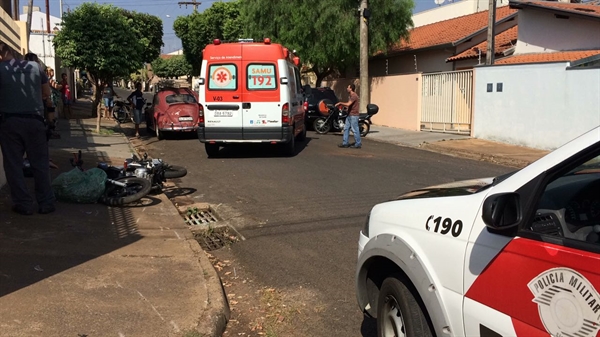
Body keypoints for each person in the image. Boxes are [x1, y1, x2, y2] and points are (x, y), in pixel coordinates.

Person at [0, 41, 56, 215]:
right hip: (35, 121)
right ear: (11, 52)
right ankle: (46, 203)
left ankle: (23, 203)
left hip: (10, 123)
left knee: (13, 165)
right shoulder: (35, 67)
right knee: (40, 164)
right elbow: (46, 93)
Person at [336, 83, 362, 149]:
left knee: (355, 129)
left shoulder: (354, 96)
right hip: (349, 114)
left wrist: (340, 103)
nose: (347, 88)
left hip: (354, 115)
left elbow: (348, 104)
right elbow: (349, 106)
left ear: (351, 88)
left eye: (348, 87)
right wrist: (346, 109)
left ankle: (358, 143)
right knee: (346, 128)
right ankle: (345, 143)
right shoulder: (350, 96)